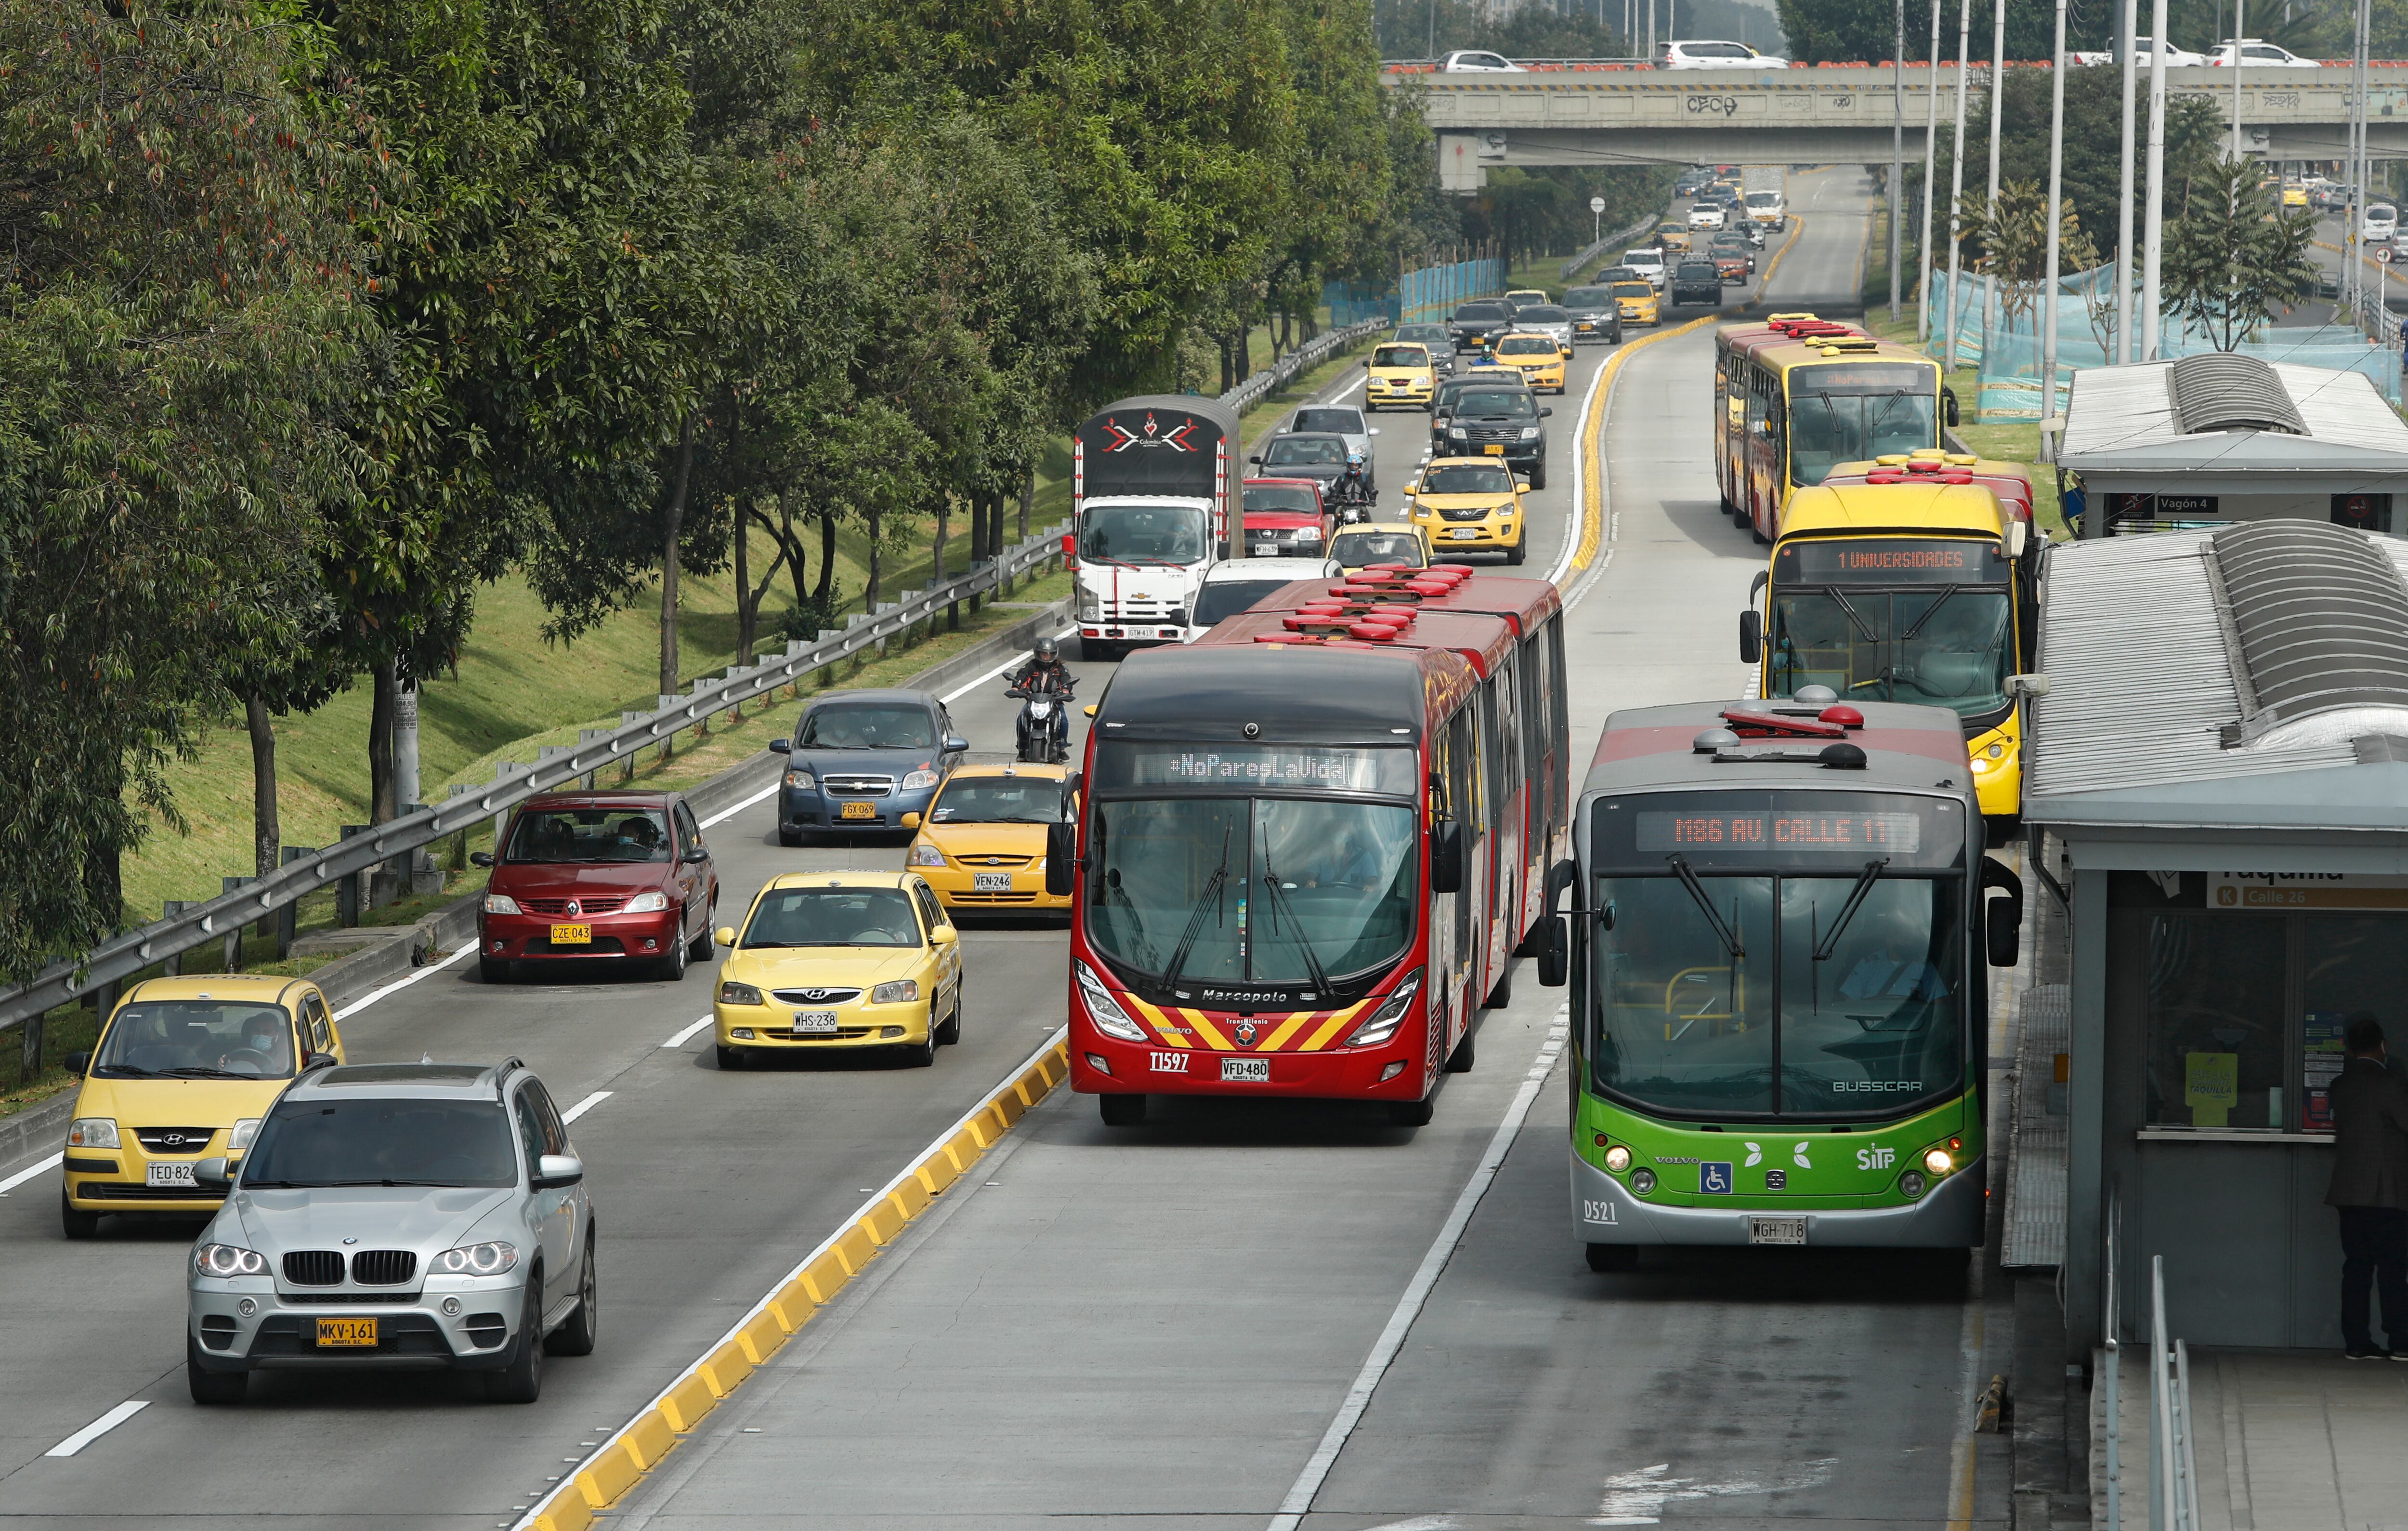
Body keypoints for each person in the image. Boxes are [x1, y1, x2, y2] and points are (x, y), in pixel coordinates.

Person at [2325, 1013, 2408, 1359]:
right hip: (2387, 1192)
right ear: (2383, 1046)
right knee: (2393, 1269)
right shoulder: (2390, 1084)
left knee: (2356, 1268)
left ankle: (2357, 1342)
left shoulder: (2339, 1086)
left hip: (2348, 1191)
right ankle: (2401, 1341)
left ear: (2347, 1048)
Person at [1010, 639, 1074, 755]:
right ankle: (1022, 746)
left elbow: (1066, 679)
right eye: (1044, 654)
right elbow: (1022, 675)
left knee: (1063, 719)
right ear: (1038, 653)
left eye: (1049, 654)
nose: (1046, 657)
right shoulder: (1031, 666)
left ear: (1054, 654)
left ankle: (1062, 748)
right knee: (1021, 717)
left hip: (1054, 701)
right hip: (1033, 700)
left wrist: (1066, 690)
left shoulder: (1060, 668)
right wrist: (1016, 686)